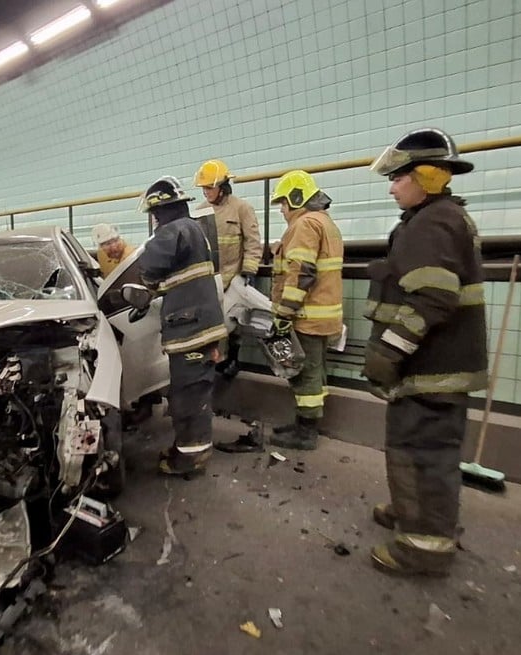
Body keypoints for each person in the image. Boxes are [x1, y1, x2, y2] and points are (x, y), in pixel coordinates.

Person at [364, 128, 488, 576]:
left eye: (399, 178)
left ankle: (424, 547)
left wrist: (388, 352)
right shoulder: (439, 219)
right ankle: (409, 510)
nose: (392, 186)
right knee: (417, 447)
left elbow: (432, 300)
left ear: (427, 177)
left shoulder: (433, 223)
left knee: (422, 451)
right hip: (439, 367)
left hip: (431, 369)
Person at [136, 176, 228, 476]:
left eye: (153, 214)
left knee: (187, 397)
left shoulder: (172, 231)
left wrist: (150, 284)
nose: (153, 220)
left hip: (189, 330)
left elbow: (148, 267)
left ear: (160, 210)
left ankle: (189, 459)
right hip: (203, 326)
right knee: (195, 393)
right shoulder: (195, 229)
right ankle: (187, 450)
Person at [263, 170, 344, 451]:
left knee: (304, 374)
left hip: (306, 316)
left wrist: (284, 313)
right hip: (324, 315)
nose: (283, 211)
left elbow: (302, 272)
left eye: (283, 204)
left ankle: (306, 433)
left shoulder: (304, 224)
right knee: (315, 372)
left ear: (296, 199)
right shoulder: (325, 222)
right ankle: (304, 424)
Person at [194, 159, 262, 379]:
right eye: (203, 188)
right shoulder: (200, 212)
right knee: (212, 324)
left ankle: (233, 357)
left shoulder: (242, 208)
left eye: (209, 187)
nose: (206, 192)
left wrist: (249, 271)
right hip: (210, 279)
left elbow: (253, 242)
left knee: (235, 323)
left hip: (234, 277)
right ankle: (215, 361)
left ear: (223, 186)